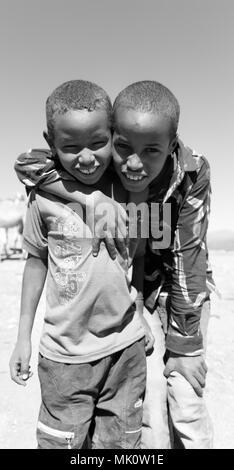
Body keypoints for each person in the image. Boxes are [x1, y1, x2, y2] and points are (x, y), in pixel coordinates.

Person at [13, 80, 213, 449]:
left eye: (151, 150)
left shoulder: (184, 175)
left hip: (164, 298)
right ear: (114, 137)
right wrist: (88, 198)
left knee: (183, 404)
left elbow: (185, 258)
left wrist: (185, 346)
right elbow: (28, 165)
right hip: (82, 338)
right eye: (123, 147)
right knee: (130, 415)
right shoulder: (75, 180)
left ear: (171, 146)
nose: (134, 163)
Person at [9, 80, 153, 449]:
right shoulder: (44, 195)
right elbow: (36, 261)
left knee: (121, 446)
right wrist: (22, 338)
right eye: (70, 147)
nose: (86, 157)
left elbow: (135, 256)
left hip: (126, 352)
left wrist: (138, 311)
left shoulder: (129, 184)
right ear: (51, 141)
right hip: (65, 359)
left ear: (114, 136)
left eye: (98, 143)